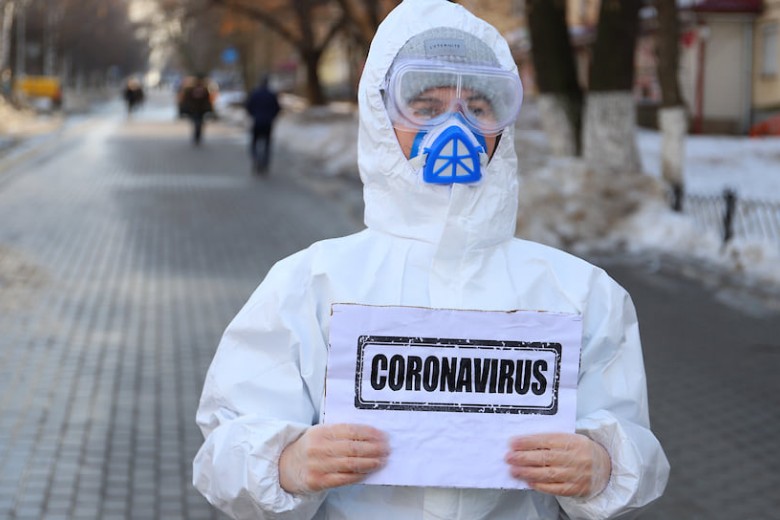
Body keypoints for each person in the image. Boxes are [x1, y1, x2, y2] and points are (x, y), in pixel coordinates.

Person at [192, 1, 670, 519]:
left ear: (503, 125)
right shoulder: (311, 284)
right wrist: (286, 463)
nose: (455, 127)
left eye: (478, 108)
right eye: (425, 107)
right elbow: (226, 445)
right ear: (382, 116)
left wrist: (602, 466)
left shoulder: (577, 293)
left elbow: (634, 443)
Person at [245, 75, 282, 174]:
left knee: (254, 143)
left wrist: (254, 115)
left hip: (257, 122)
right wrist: (272, 117)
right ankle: (265, 163)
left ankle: (256, 158)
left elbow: (248, 106)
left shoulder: (255, 94)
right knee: (267, 144)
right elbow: (277, 108)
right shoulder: (271, 94)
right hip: (268, 123)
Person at [180, 74, 214, 145]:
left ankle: (198, 136)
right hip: (194, 110)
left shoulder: (205, 90)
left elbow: (208, 101)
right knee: (197, 123)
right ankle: (196, 136)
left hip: (201, 110)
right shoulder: (190, 90)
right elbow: (186, 100)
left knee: (199, 124)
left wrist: (209, 109)